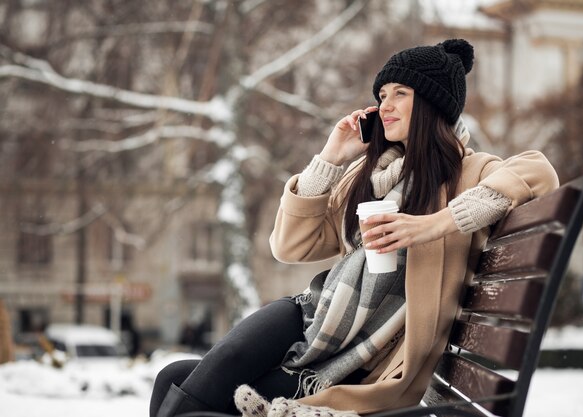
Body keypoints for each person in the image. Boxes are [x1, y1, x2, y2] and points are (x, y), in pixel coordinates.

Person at [150, 39, 559, 417]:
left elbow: (539, 173)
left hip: (357, 362)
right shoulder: (372, 175)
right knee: (172, 375)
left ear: (434, 104)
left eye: (401, 93)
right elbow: (289, 246)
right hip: (309, 319)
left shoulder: (471, 171)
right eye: (382, 95)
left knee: (182, 385)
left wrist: (433, 226)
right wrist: (332, 156)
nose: (386, 104)